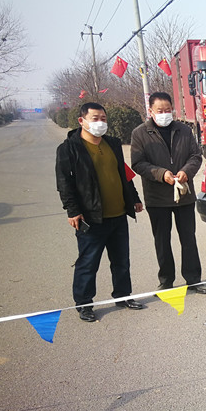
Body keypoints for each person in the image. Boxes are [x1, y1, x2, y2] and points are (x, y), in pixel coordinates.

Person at [56, 102, 145, 322]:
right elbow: (64, 183)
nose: (100, 123)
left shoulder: (112, 143)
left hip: (118, 215)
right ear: (82, 121)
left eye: (103, 118)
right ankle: (84, 304)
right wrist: (72, 210)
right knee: (88, 263)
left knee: (121, 261)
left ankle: (123, 296)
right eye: (95, 118)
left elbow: (124, 174)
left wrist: (134, 198)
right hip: (91, 217)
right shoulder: (69, 148)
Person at [130, 92, 206, 294]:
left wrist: (186, 172)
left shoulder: (184, 130)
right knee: (162, 241)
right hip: (157, 197)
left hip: (183, 195)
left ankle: (193, 279)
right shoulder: (139, 133)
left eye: (168, 110)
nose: (165, 114)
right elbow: (138, 163)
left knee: (188, 239)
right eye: (160, 110)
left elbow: (195, 156)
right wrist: (161, 173)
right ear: (150, 111)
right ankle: (166, 281)